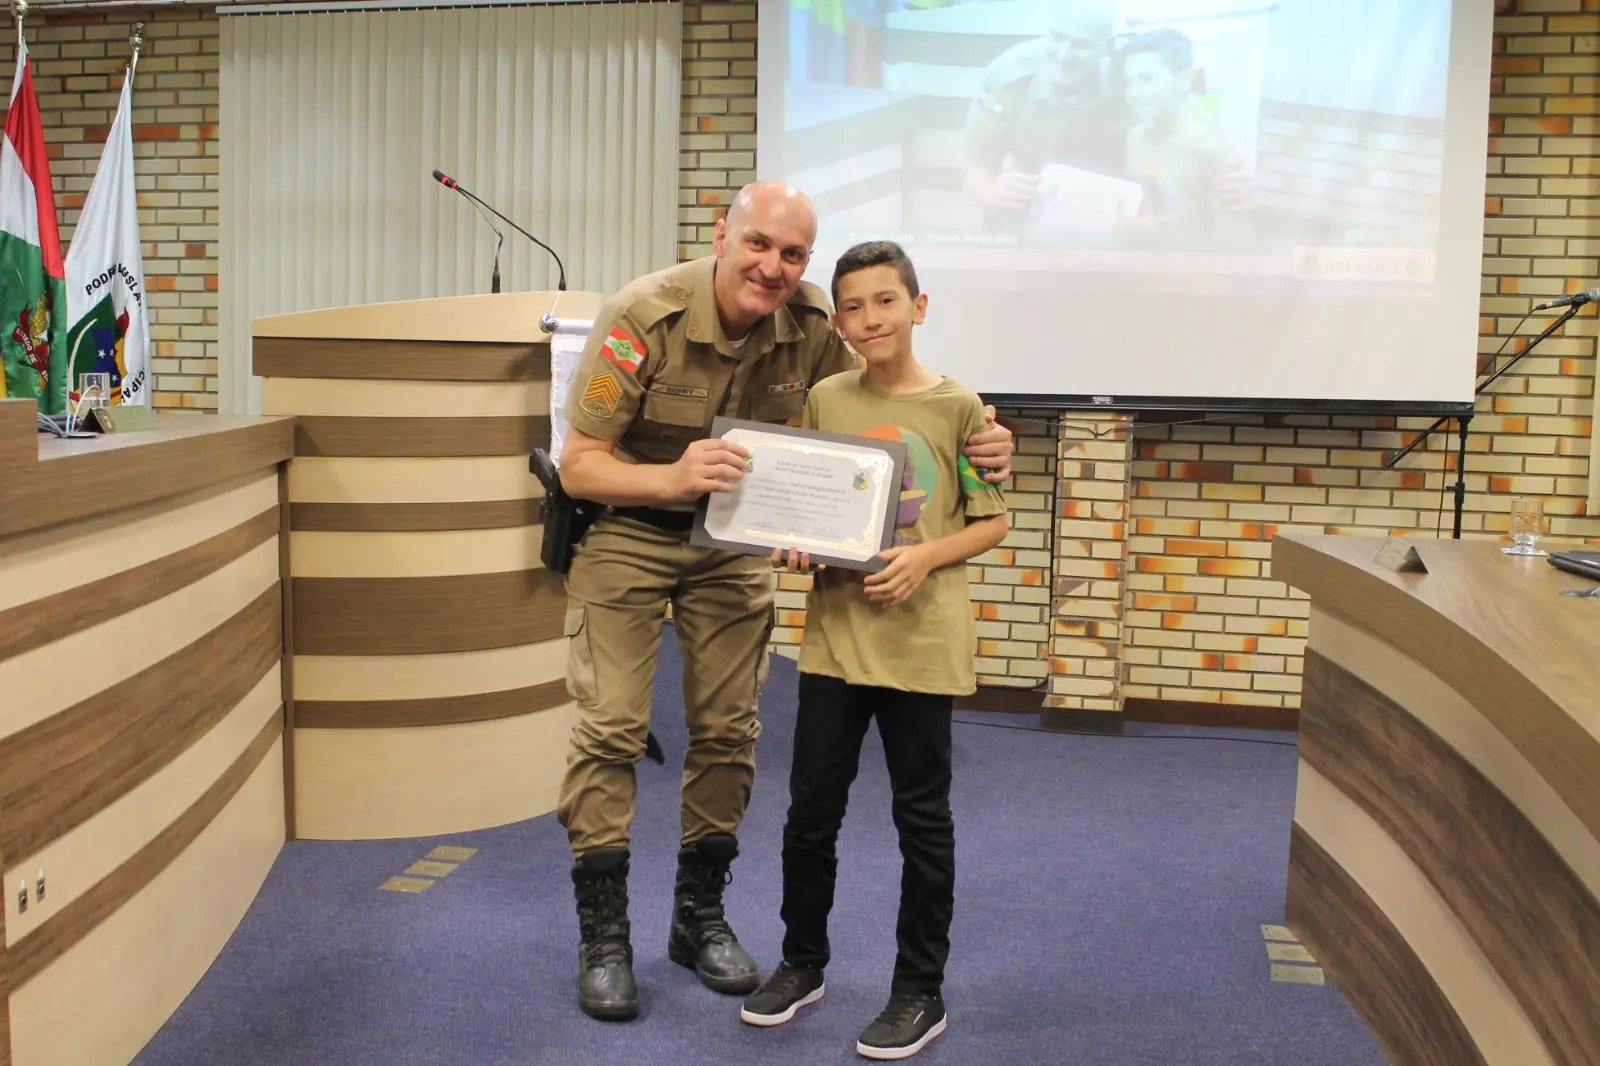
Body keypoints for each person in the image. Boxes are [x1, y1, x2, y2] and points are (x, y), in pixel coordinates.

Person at [554, 182, 1016, 1022]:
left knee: (728, 732)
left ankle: (698, 918)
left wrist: (983, 438)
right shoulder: (643, 316)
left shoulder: (813, 326)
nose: (773, 267)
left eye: (793, 254)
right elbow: (579, 464)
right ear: (721, 234)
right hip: (630, 527)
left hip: (735, 542)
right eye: (759, 244)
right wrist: (672, 477)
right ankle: (605, 937)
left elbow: (877, 411)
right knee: (612, 729)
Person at [738, 240, 1009, 1060]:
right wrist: (797, 544)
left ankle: (920, 990)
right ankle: (802, 963)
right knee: (809, 814)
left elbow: (991, 522)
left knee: (921, 821)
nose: (869, 319)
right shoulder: (827, 397)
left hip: (922, 646)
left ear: (917, 307)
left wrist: (926, 558)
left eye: (885, 301)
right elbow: (813, 506)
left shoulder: (961, 407)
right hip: (835, 644)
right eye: (852, 307)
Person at [961, 2, 1120, 226]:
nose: (1063, 55)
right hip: (1023, 209)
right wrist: (993, 194)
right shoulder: (1008, 78)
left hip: (1102, 211)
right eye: (1056, 37)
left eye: (1081, 45)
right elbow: (975, 166)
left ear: (1108, 47)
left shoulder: (1130, 77)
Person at [1122, 27, 1246, 235]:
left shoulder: (1212, 151)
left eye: (1146, 78)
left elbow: (1232, 244)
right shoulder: (1134, 138)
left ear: (1184, 80)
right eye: (1128, 82)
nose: (1133, 93)